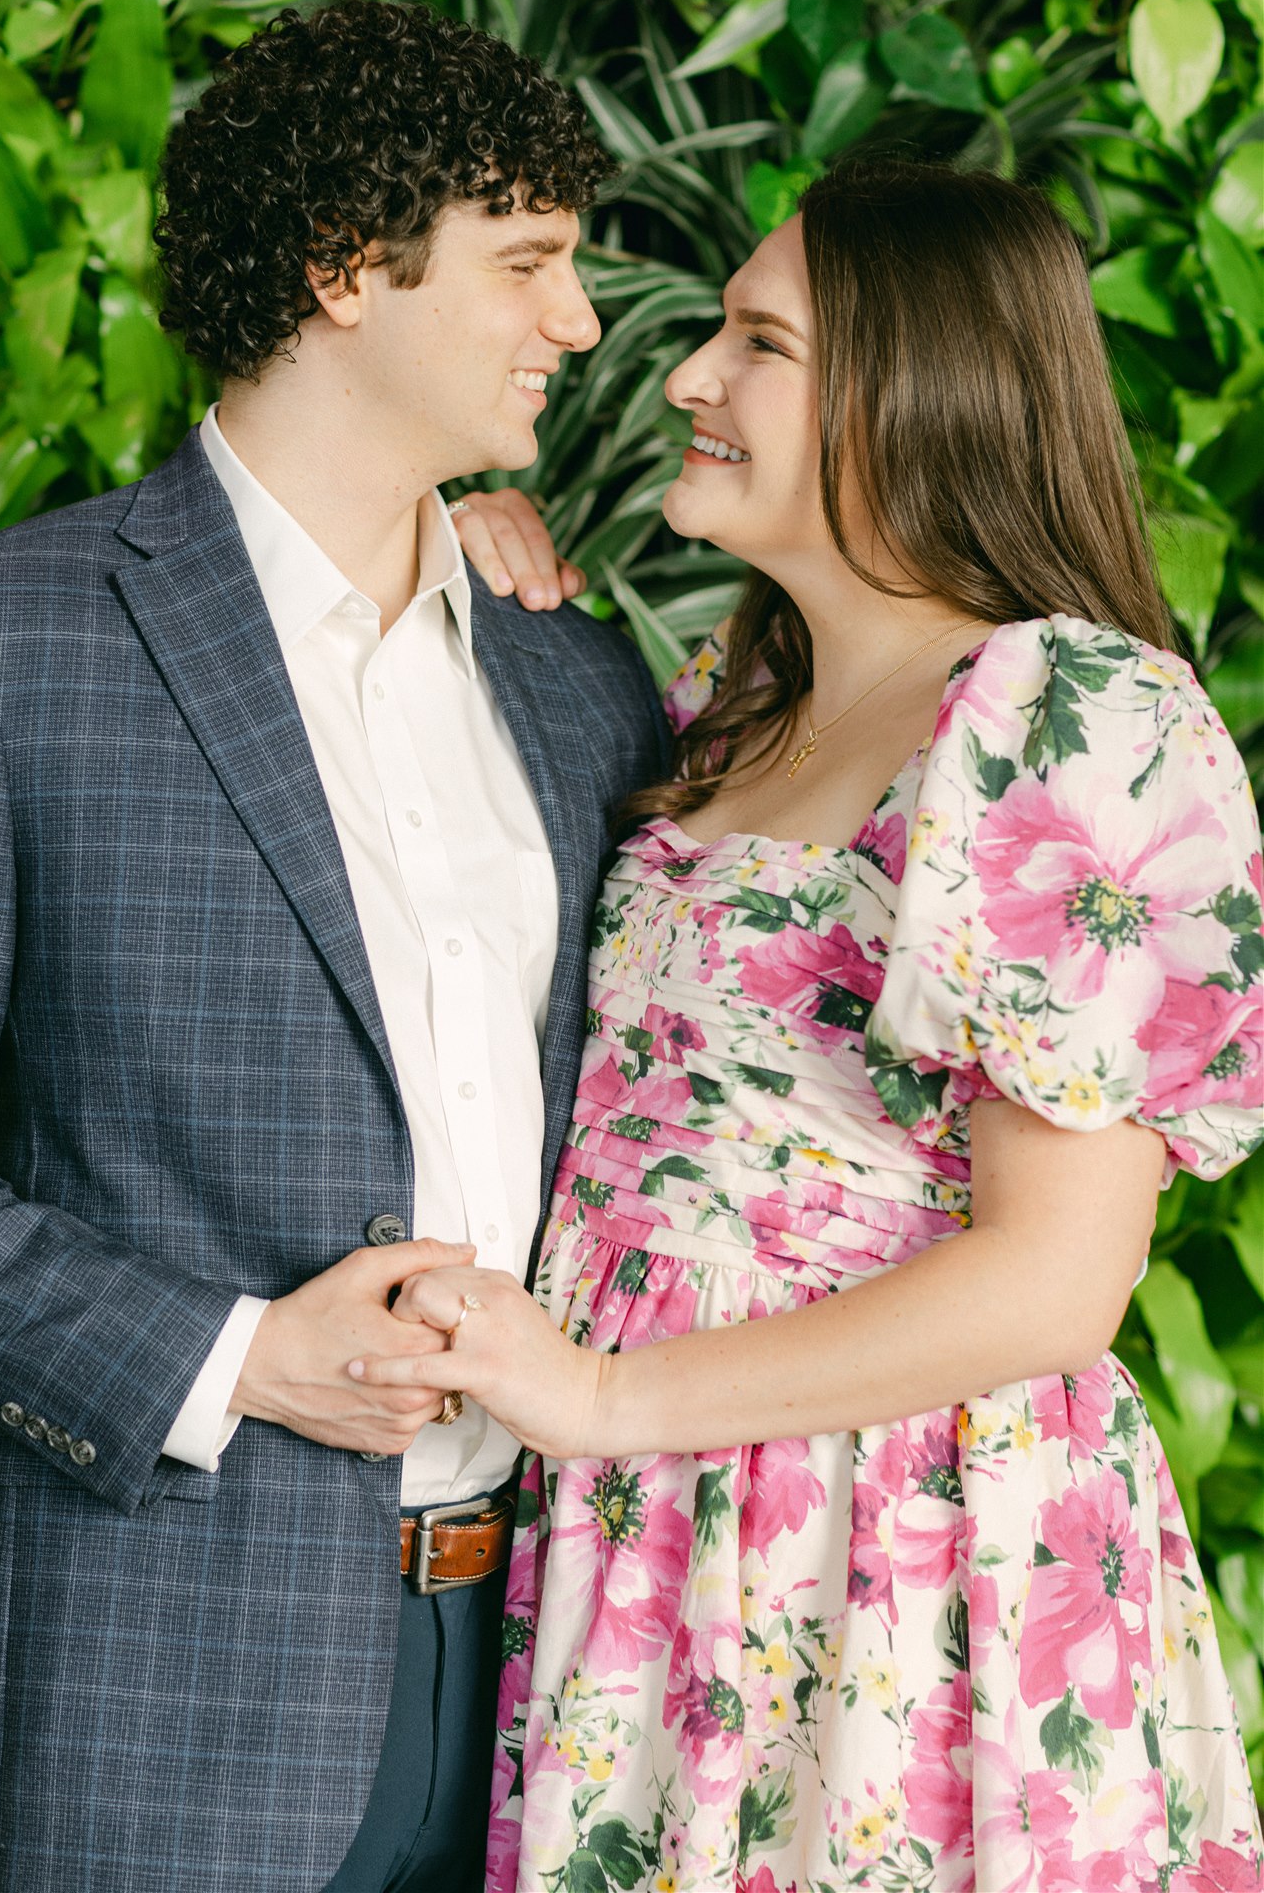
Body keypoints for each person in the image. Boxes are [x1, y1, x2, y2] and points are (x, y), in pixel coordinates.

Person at [361, 162, 1264, 1892]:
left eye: (755, 341)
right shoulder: (727, 700)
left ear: (913, 394)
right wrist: (442, 578)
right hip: (654, 1533)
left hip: (897, 1540)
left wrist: (607, 1399)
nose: (688, 377)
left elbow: (1054, 1277)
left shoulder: (1065, 709)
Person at [0, 0, 670, 1893]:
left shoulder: (575, 672)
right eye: (526, 264)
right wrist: (235, 1358)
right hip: (164, 1692)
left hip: (558, 1684)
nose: (577, 324)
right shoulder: (1, 648)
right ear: (346, 267)